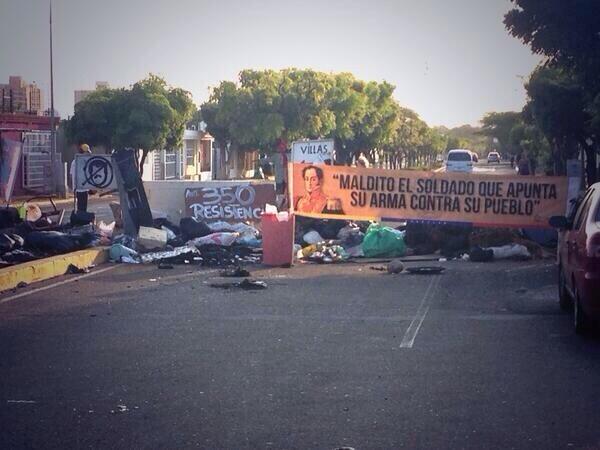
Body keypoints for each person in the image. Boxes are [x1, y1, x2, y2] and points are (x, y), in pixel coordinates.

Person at [70, 143, 92, 212]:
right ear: (83, 152)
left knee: (80, 206)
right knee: (83, 207)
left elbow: (71, 175)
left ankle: (81, 219)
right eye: (87, 152)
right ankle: (82, 219)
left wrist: (73, 187)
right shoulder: (83, 162)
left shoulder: (74, 161)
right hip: (82, 187)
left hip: (79, 188)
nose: (88, 154)